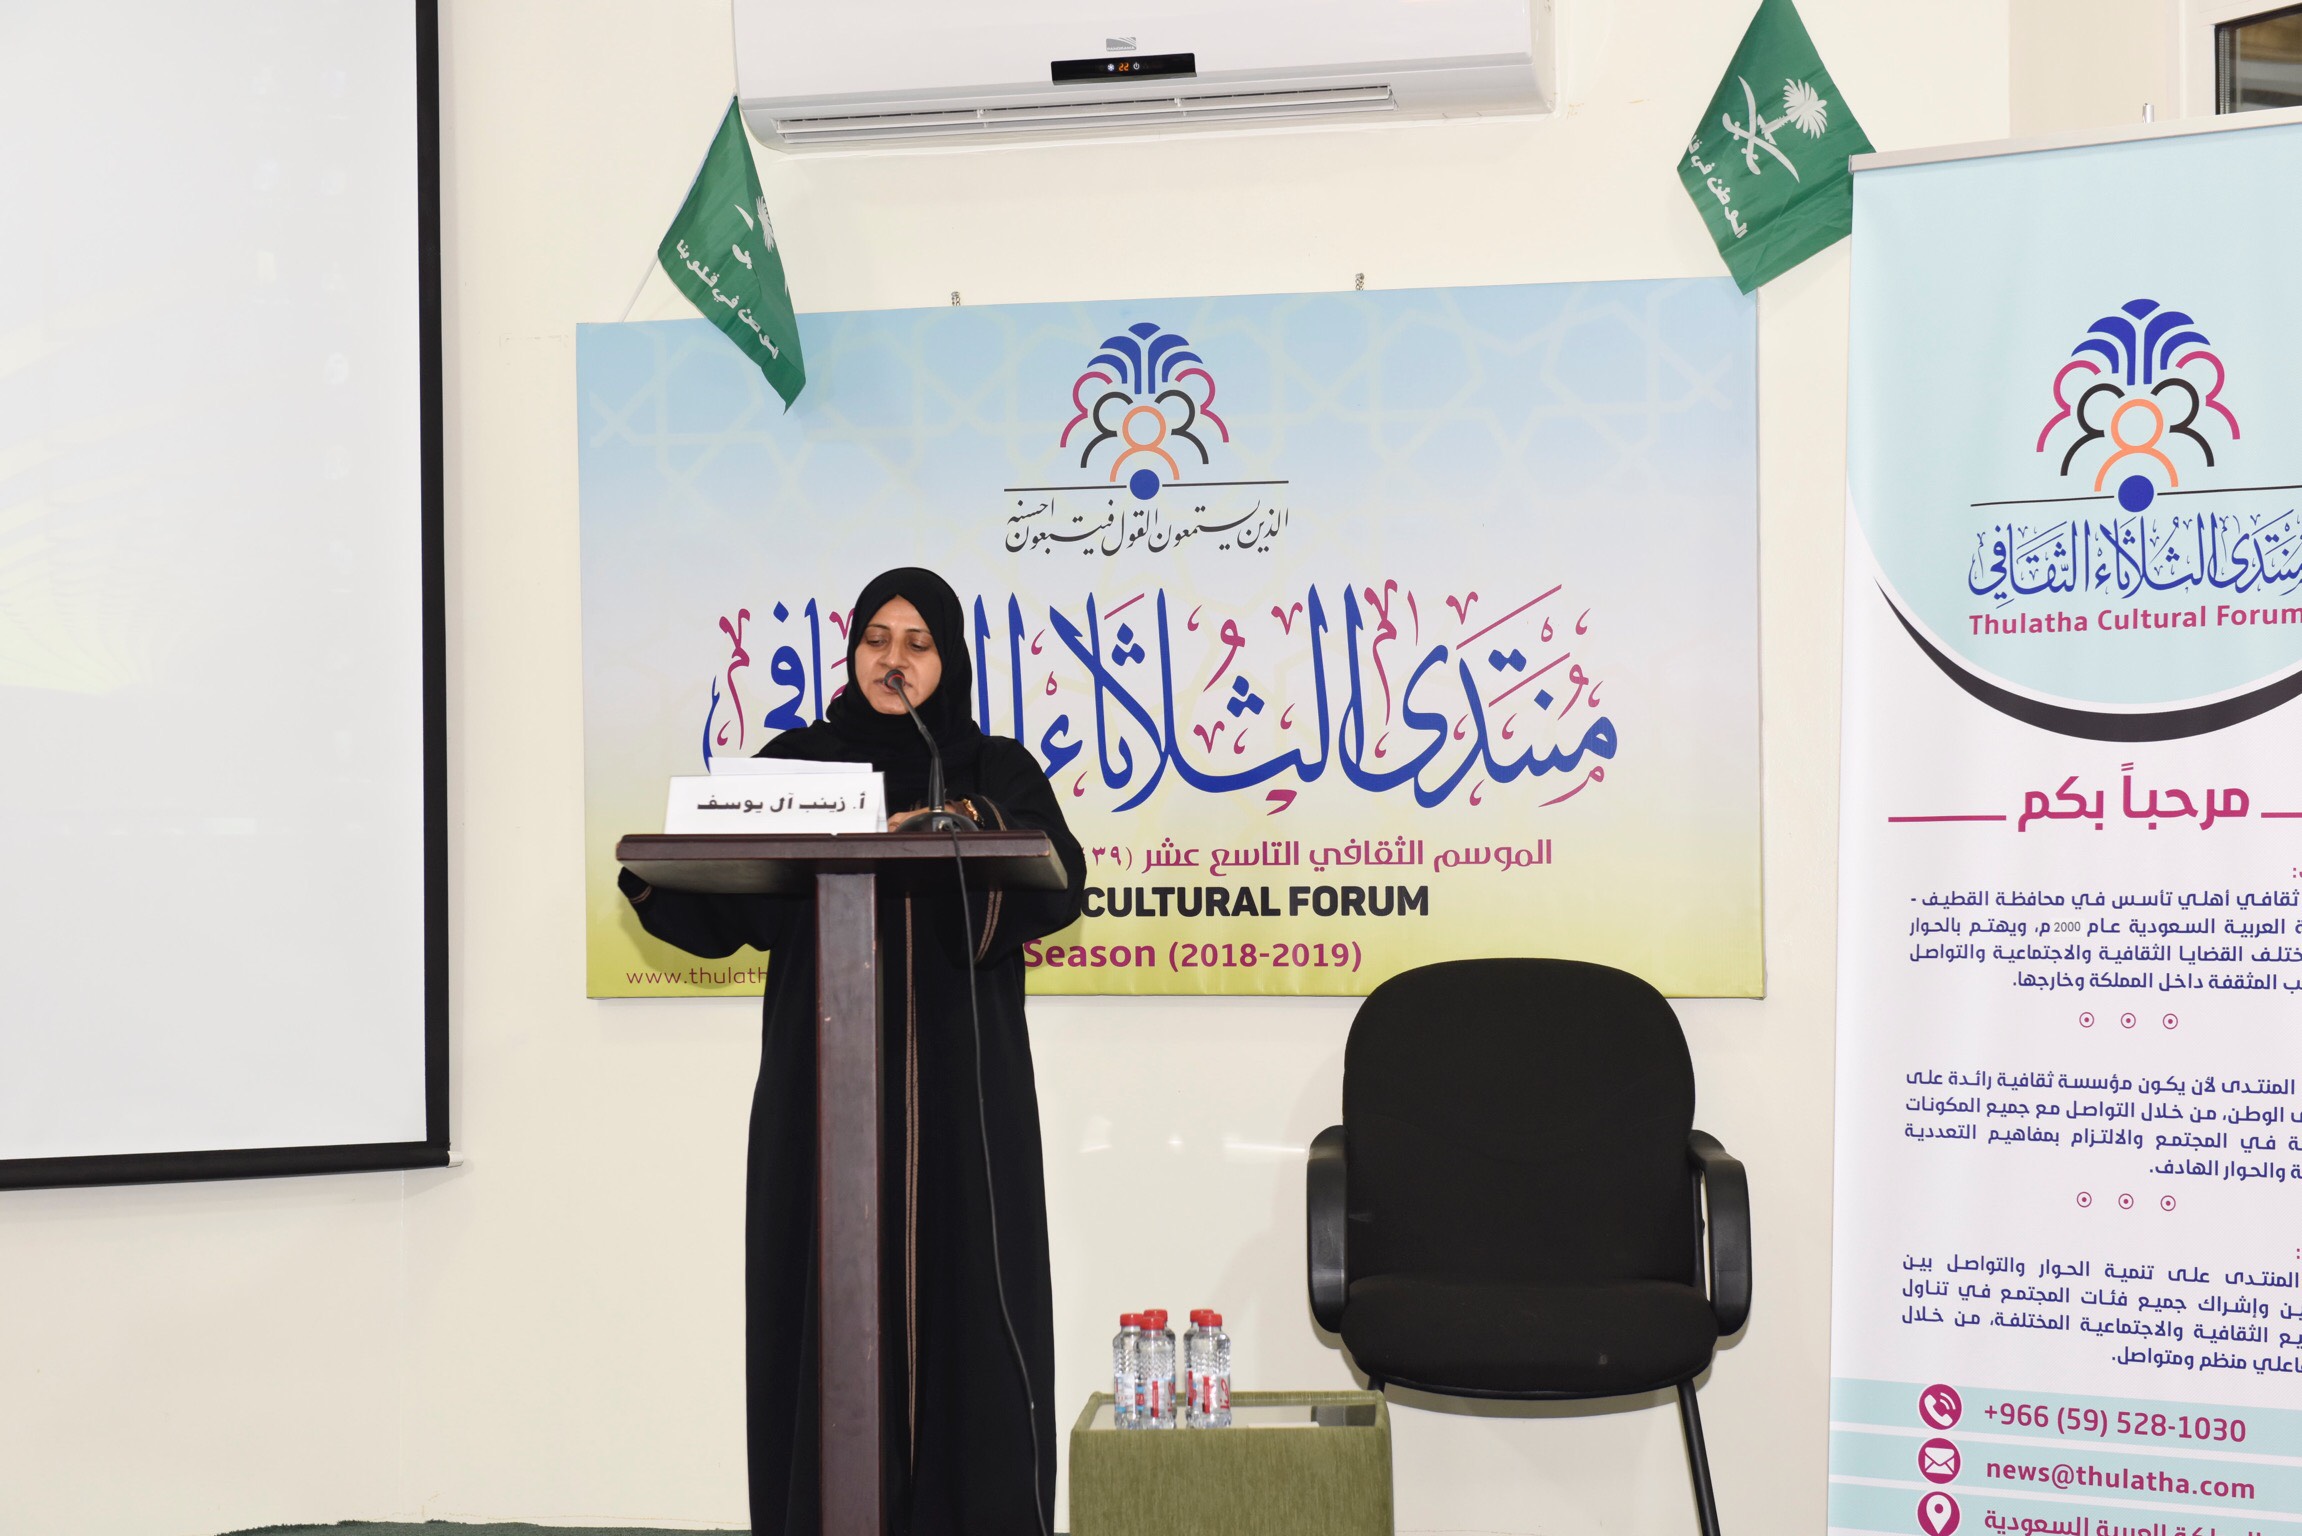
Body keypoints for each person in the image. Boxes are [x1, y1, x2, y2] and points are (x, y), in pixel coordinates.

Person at [617, 567, 1085, 1535]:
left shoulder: (992, 769)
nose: (893, 659)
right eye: (876, 639)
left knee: (967, 1316)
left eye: (917, 643)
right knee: (825, 1311)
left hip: (963, 1101)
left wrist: (953, 825)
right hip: (820, 1099)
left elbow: (1059, 872)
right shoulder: (802, 764)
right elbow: (722, 888)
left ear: (949, 662)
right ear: (851, 652)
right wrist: (662, 878)